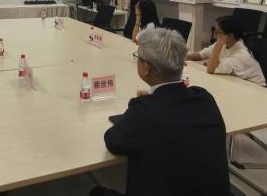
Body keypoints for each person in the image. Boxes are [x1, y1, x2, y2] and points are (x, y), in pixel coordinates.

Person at [91, 28, 229, 196]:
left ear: (146, 67)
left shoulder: (144, 111)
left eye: (138, 58)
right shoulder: (204, 97)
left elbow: (113, 141)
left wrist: (138, 108)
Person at [187, 16, 265, 86]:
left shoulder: (242, 54)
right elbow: (201, 55)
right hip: (237, 83)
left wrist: (218, 44)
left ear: (230, 36)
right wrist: (182, 56)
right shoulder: (225, 43)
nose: (216, 35)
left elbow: (211, 69)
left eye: (218, 32)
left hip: (256, 89)